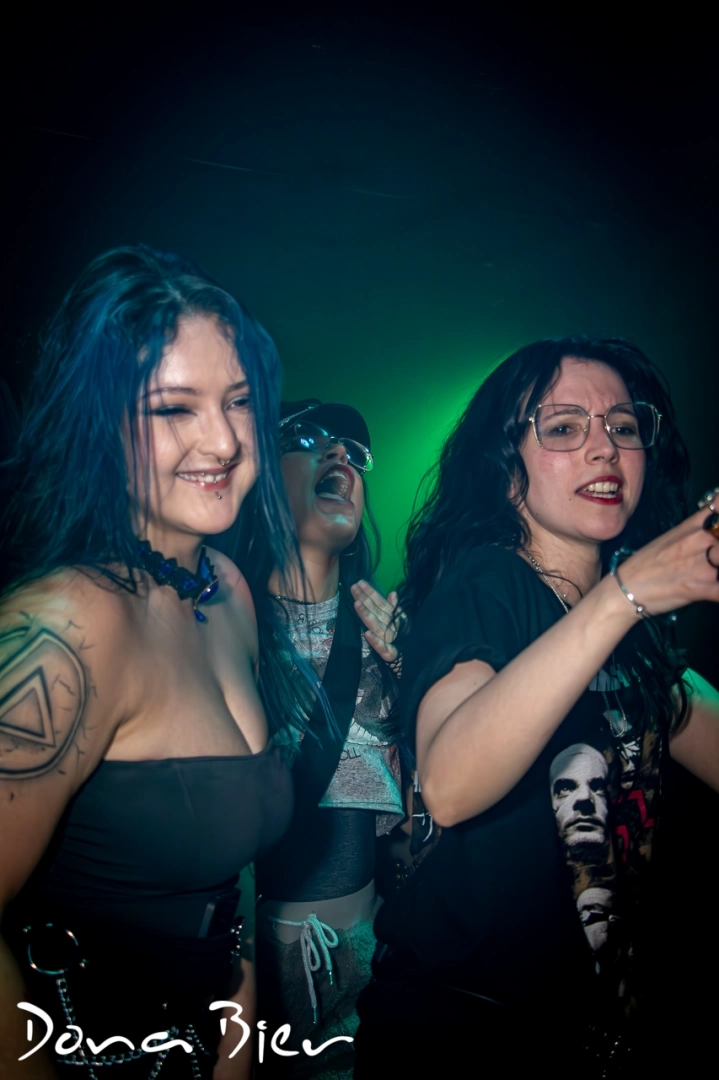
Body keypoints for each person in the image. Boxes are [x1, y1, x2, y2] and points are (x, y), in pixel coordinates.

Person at [353, 337, 719, 1074]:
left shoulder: (631, 632)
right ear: (505, 464)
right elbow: (450, 783)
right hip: (465, 1037)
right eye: (563, 427)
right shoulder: (487, 583)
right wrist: (624, 595)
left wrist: (625, 605)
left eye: (623, 426)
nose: (604, 448)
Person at [0, 245, 302, 1079]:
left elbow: (229, 882)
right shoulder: (66, 625)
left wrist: (234, 1050)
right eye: (173, 408)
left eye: (239, 401)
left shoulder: (226, 588)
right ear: (97, 424)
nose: (224, 440)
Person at [250, 400, 407, 1079]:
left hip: (366, 961)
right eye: (309, 437)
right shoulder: (212, 626)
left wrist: (415, 673)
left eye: (353, 448)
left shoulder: (394, 633)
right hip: (243, 966)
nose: (340, 453)